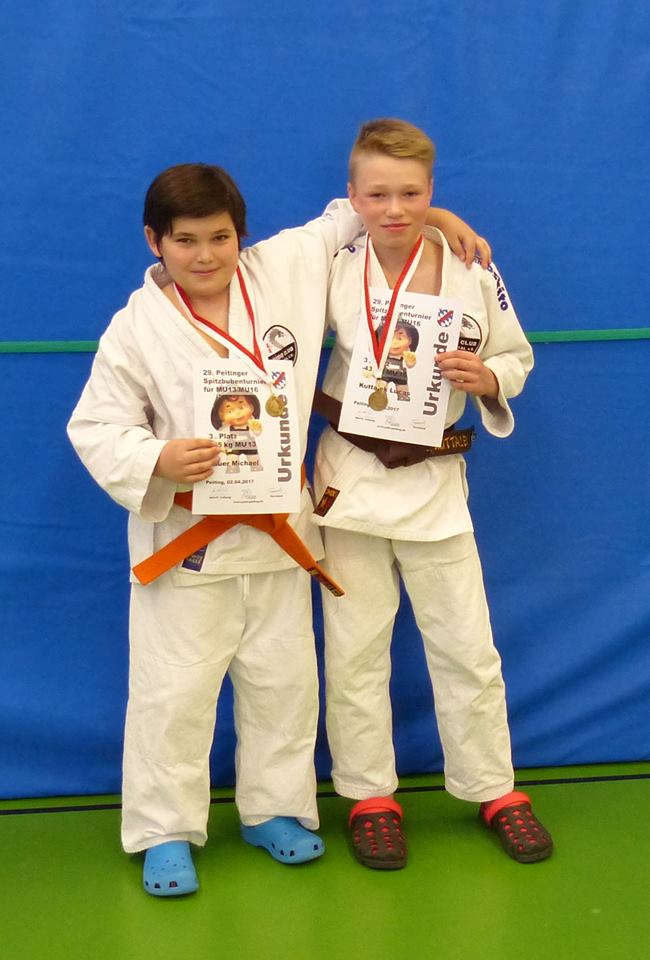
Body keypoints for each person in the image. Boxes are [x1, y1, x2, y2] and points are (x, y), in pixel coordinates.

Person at [67, 160, 490, 897]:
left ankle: (274, 810)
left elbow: (356, 212)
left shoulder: (283, 268)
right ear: (155, 242)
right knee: (173, 695)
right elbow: (96, 427)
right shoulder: (135, 328)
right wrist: (157, 457)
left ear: (242, 235)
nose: (206, 255)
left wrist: (439, 218)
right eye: (186, 241)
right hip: (189, 545)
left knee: (284, 686)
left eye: (220, 237)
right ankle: (165, 830)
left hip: (279, 535)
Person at [312, 119, 553, 870]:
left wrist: (489, 378)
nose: (395, 208)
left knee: (467, 647)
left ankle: (493, 788)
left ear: (431, 191)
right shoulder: (330, 265)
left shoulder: (472, 267)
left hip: (435, 482)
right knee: (355, 650)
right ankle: (369, 796)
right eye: (378, 194)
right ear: (353, 196)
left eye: (413, 194)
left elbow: (516, 356)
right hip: (350, 481)